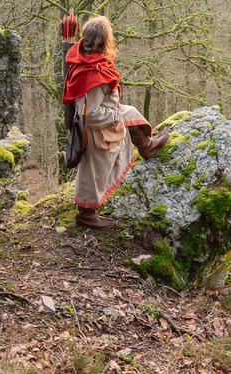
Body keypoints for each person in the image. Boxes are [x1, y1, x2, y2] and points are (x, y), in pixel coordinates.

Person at [62, 16, 169, 228]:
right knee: (95, 169)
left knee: (129, 110)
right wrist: (115, 116)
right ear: (103, 42)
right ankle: (86, 215)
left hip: (102, 116)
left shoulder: (80, 56)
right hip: (95, 130)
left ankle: (146, 145)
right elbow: (90, 114)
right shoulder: (92, 74)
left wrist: (118, 112)